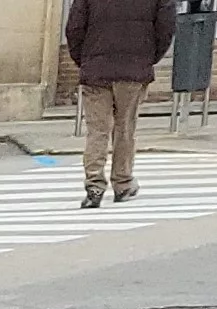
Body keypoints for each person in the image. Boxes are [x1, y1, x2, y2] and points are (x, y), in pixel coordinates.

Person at [64, 0, 175, 207]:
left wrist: (85, 60)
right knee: (125, 127)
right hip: (133, 70)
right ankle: (122, 183)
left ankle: (94, 185)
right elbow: (166, 27)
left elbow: (74, 28)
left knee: (97, 130)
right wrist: (147, 58)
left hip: (96, 70)